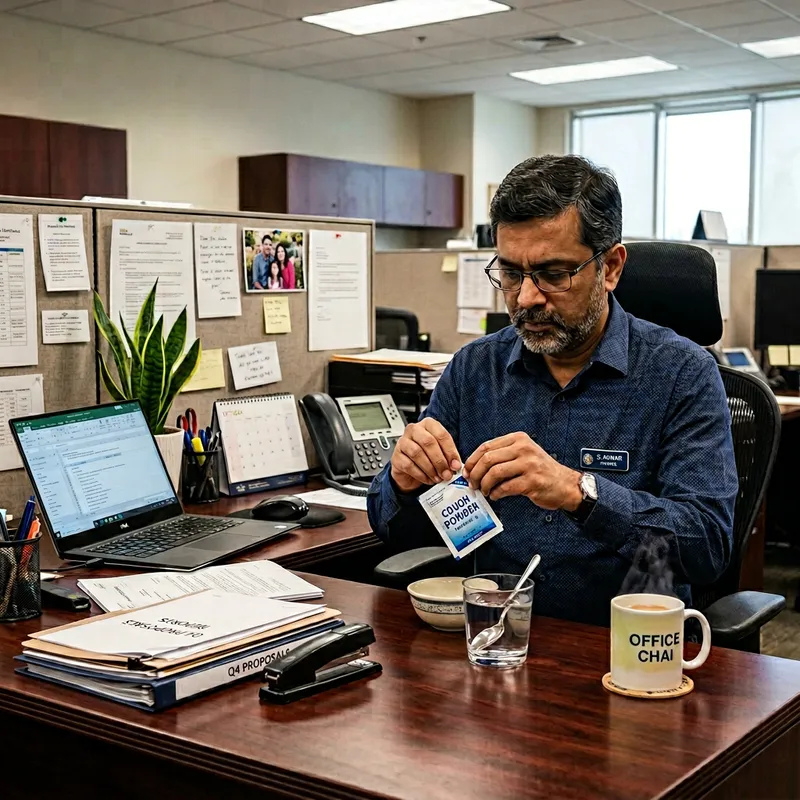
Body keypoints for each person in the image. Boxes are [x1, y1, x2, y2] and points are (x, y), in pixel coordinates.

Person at [367, 154, 737, 627]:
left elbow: (706, 546)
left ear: (611, 268)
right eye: (511, 274)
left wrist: (577, 491)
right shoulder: (473, 370)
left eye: (553, 274)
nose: (525, 299)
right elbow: (398, 529)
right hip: (492, 642)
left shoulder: (683, 374)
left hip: (623, 646)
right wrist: (402, 482)